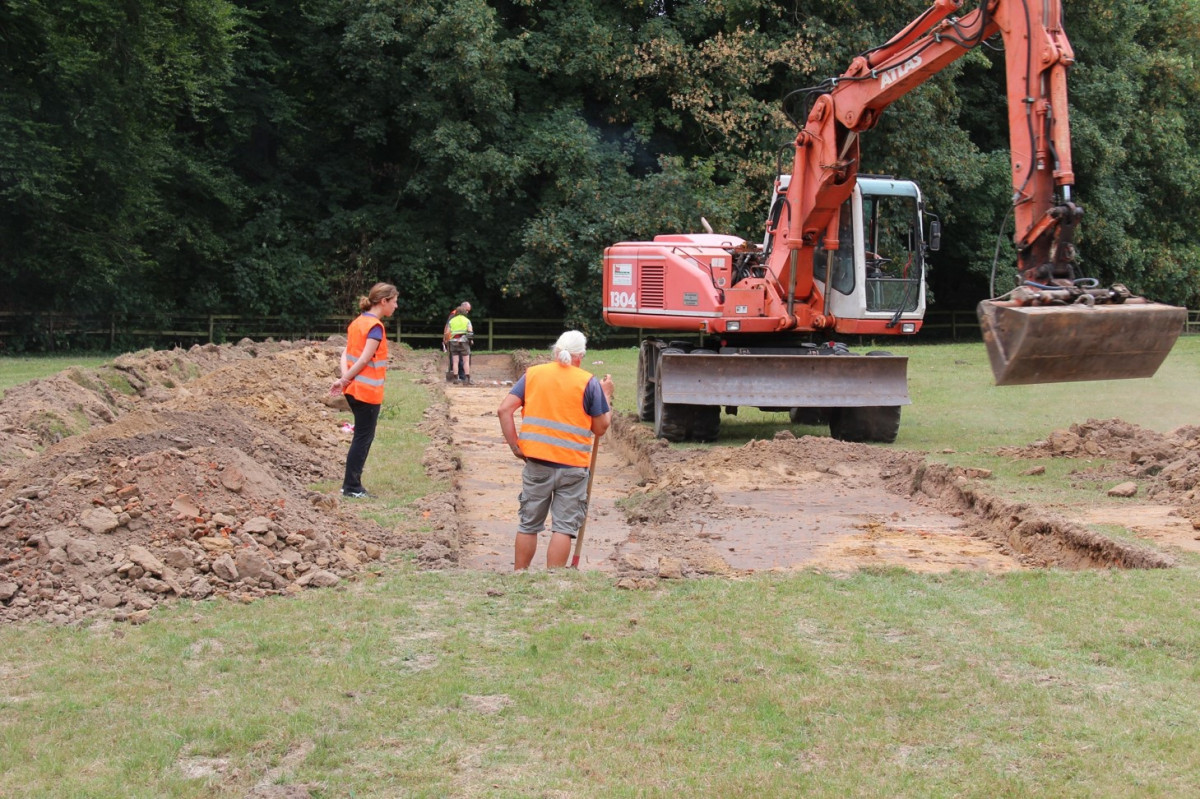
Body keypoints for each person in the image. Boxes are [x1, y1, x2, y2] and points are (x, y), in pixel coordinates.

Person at [497, 330, 615, 570]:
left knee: (529, 524)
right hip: (573, 467)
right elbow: (600, 428)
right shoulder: (588, 382)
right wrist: (605, 396)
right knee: (563, 527)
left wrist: (515, 446)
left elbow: (504, 410)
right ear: (580, 355)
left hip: (537, 463)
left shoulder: (533, 375)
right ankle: (553, 581)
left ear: (555, 351)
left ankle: (520, 575)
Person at [330, 282, 399, 498]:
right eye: (394, 301)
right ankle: (352, 487)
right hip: (367, 393)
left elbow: (346, 355)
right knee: (363, 437)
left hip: (354, 390)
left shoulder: (358, 322)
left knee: (361, 436)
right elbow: (363, 359)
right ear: (383, 301)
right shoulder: (375, 327)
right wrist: (344, 380)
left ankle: (350, 485)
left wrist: (345, 380)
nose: (396, 306)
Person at [445, 301, 473, 384]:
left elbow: (447, 333)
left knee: (455, 361)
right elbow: (470, 333)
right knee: (466, 361)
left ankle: (455, 379)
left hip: (453, 342)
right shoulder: (467, 320)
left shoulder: (452, 321)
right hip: (464, 342)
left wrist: (447, 341)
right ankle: (467, 379)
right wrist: (470, 341)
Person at [443, 307, 466, 382]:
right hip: (462, 341)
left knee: (455, 359)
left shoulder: (452, 319)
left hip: (453, 341)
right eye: (467, 310)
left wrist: (446, 339)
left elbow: (447, 330)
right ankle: (462, 376)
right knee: (462, 359)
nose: (468, 312)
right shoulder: (466, 320)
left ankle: (456, 376)